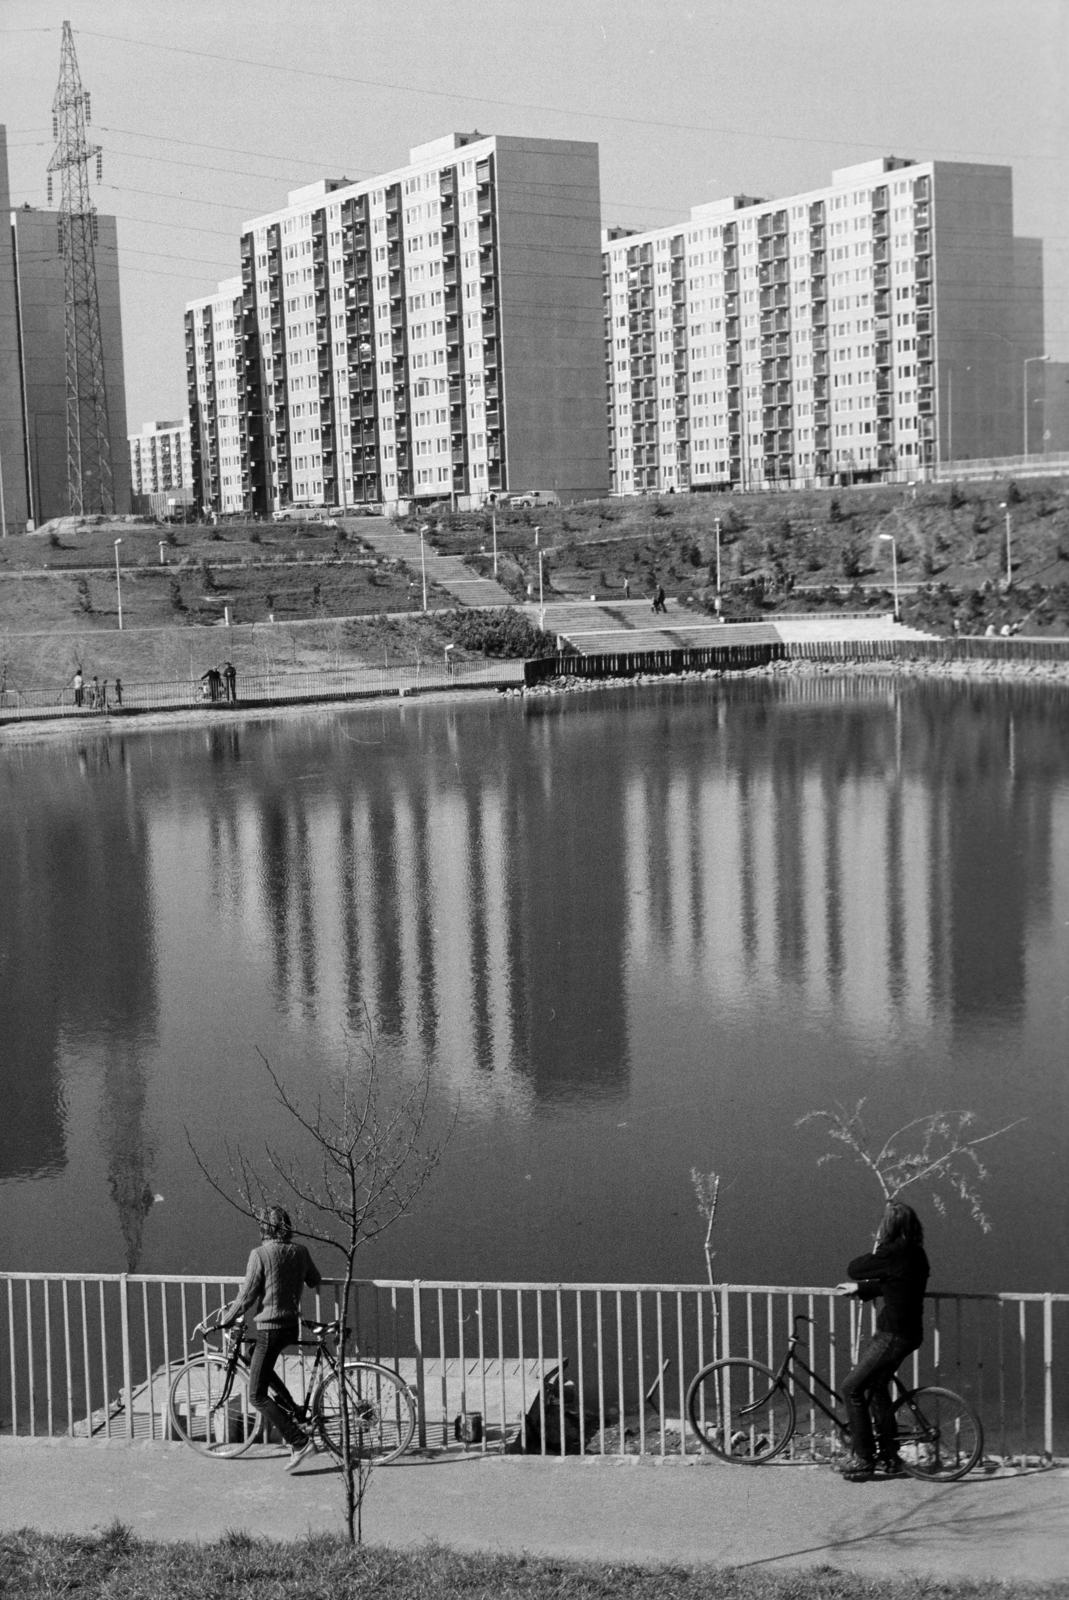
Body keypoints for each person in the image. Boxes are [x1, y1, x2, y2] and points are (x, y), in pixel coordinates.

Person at [217, 1206, 322, 1471]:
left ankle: (300, 1442)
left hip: (270, 1329)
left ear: (263, 1228)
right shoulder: (300, 1251)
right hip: (290, 1328)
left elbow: (247, 1295)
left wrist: (226, 1319)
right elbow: (315, 1280)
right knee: (253, 1357)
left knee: (256, 1396)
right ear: (286, 1226)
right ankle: (293, 1410)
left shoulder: (260, 1255)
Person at [838, 1199, 930, 1482]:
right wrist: (863, 1289)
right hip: (911, 1333)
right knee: (877, 1387)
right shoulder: (917, 1254)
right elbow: (893, 1283)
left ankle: (864, 1459)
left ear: (888, 1227)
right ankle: (890, 1457)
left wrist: (877, 1247)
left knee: (851, 1388)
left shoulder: (892, 1252)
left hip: (892, 1335)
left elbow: (855, 1267)